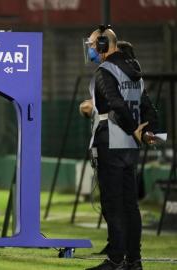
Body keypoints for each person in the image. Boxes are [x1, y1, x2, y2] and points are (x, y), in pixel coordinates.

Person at [84, 26, 159, 270]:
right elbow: (147, 105)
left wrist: (132, 128)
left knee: (113, 203)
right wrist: (145, 131)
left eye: (94, 44)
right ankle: (133, 260)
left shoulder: (105, 71)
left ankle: (115, 260)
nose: (91, 49)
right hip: (130, 146)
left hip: (112, 140)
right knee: (130, 205)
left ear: (105, 45)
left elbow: (115, 105)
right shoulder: (134, 69)